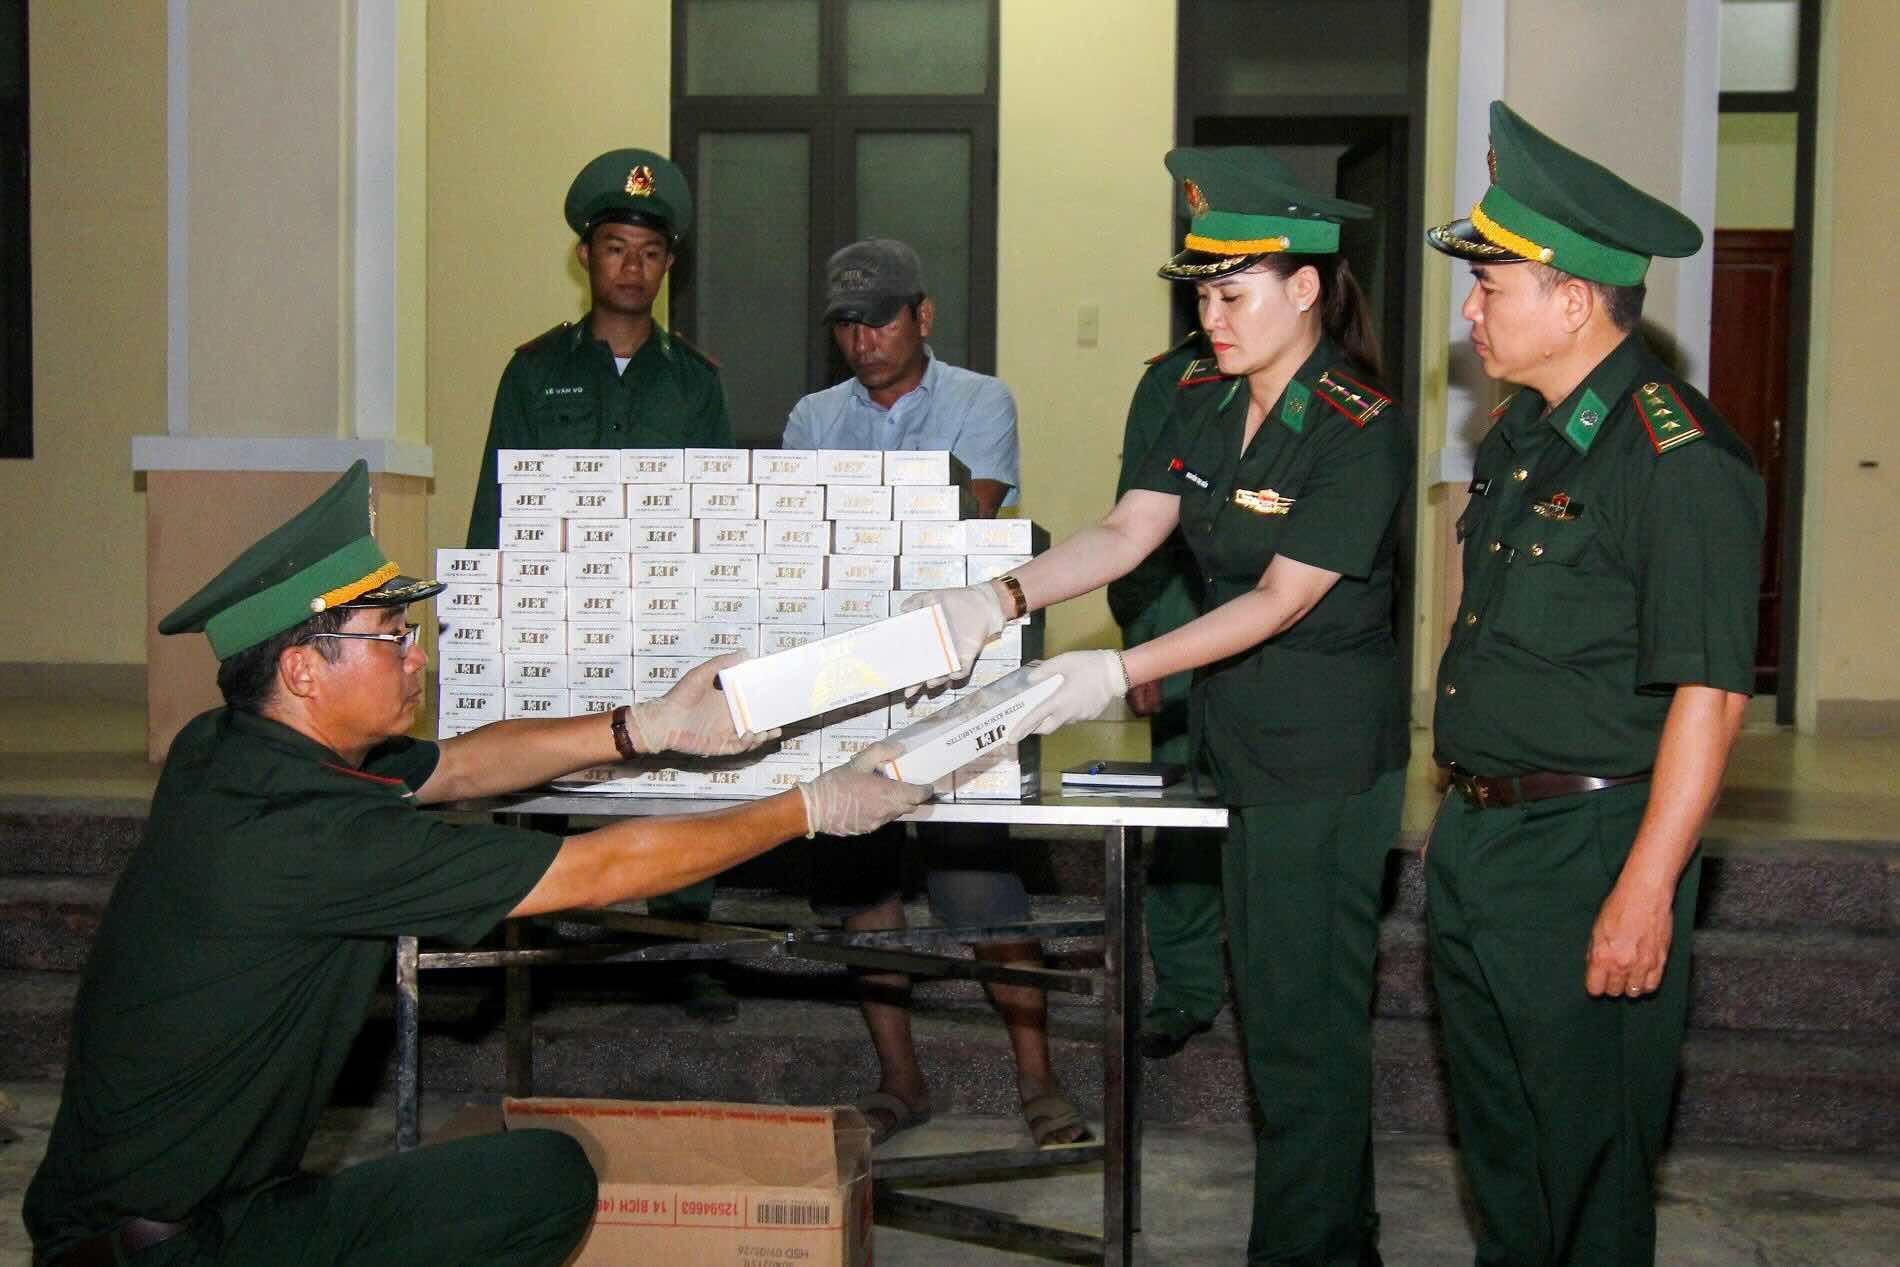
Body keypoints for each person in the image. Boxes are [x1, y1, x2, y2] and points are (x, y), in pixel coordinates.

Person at [24, 462, 926, 1267]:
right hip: (175, 1246)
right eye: (391, 635)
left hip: (171, 1210)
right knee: (539, 1181)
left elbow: (458, 765)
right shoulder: (311, 840)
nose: (419, 653)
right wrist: (809, 807)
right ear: (303, 669)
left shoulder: (225, 749)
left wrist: (640, 728)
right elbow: (594, 872)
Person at [905, 148, 1412, 1265]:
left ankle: (1313, 1249)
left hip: (1323, 758)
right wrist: (998, 594)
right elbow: (1132, 530)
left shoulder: (1356, 419)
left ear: (1306, 288)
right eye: (1198, 291)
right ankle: (1337, 1237)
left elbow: (1281, 598)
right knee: (1277, 1016)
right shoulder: (1195, 389)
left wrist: (1114, 673)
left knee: (1300, 1031)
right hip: (1235, 732)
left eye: (1231, 293)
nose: (1208, 314)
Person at [1421, 101, 1763, 1266]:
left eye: (1490, 289)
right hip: (1480, 839)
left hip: (1590, 846)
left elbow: (1708, 696)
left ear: (1571, 299)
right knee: (1502, 1149)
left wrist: (1645, 888)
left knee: (1591, 1159)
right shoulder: (1526, 437)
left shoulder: (1679, 460)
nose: (1469, 314)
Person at [784, 238, 1088, 1150]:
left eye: (880, 316)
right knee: (859, 882)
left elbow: (970, 525)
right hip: (840, 680)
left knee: (981, 884)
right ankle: (900, 1080)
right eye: (846, 323)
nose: (864, 338)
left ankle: (1039, 1084)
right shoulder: (810, 416)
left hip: (957, 677)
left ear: (924, 315)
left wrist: (863, 541)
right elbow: (805, 543)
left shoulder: (980, 400)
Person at [465, 146, 739, 1021]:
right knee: (536, 776)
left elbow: (717, 514)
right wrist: (486, 619)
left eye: (651, 252)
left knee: (679, 779)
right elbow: (494, 504)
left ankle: (685, 945)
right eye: (616, 246)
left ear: (670, 265)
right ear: (586, 256)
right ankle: (514, 949)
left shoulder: (697, 383)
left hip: (661, 619)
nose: (633, 265)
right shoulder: (533, 371)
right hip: (554, 615)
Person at [1107, 332, 1226, 1059]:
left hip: (1304, 612)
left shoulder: (1341, 379)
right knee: (1185, 811)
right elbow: (1135, 518)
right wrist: (1144, 637)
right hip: (1187, 600)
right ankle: (1185, 986)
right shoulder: (1174, 379)